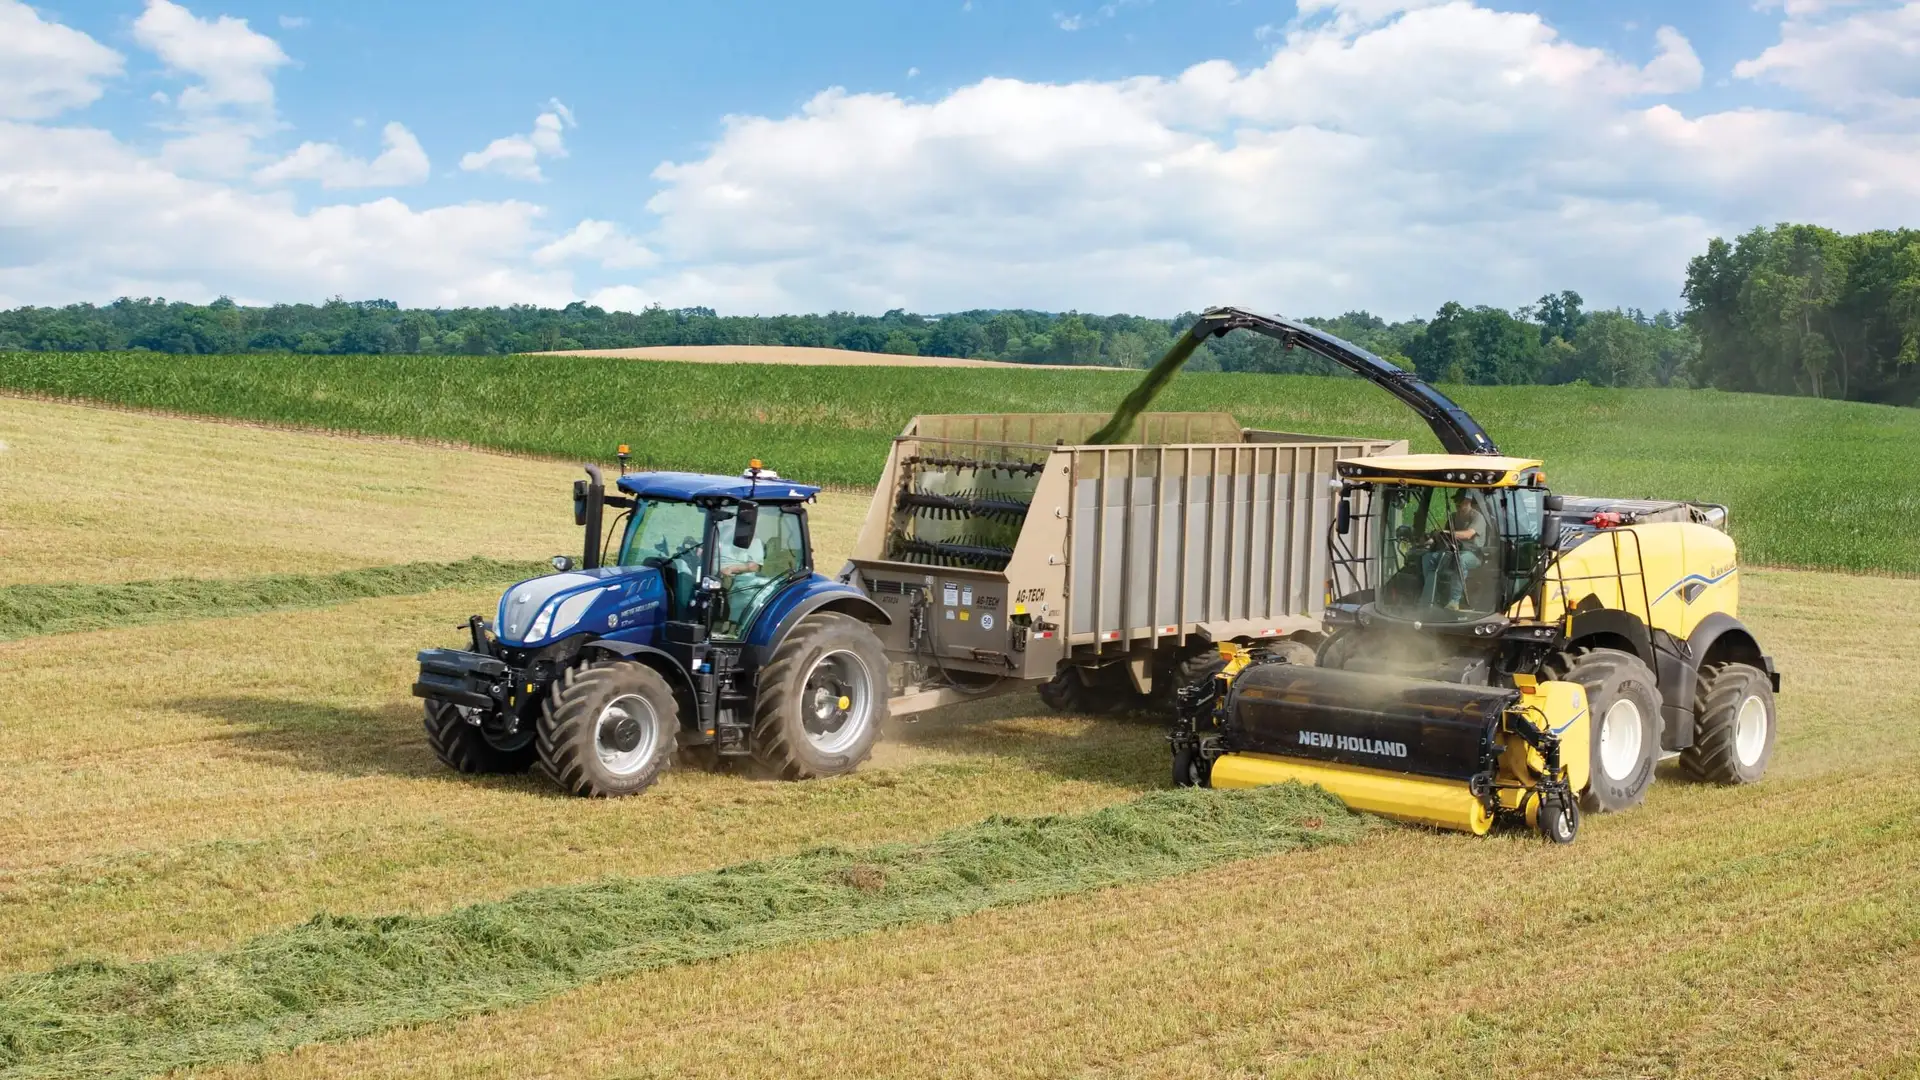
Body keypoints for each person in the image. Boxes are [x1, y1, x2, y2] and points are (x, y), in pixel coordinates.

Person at [1420, 491, 1489, 610]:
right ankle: (1431, 599)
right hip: (1453, 551)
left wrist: (1448, 533)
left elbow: (1468, 534)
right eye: (1456, 500)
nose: (1457, 503)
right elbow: (1444, 536)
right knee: (1428, 558)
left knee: (1460, 560)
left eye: (1460, 501)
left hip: (1473, 554)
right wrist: (1431, 538)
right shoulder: (1452, 517)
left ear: (1468, 501)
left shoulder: (1477, 517)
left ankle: (1454, 601)